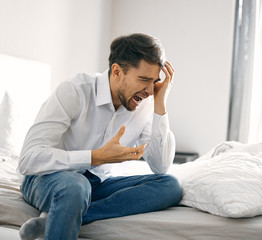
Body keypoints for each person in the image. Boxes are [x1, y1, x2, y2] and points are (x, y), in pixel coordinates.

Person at [17, 33, 182, 240]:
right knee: (77, 186)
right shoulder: (75, 91)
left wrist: (161, 103)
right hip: (48, 178)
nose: (150, 90)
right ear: (117, 71)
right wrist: (95, 156)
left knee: (170, 185)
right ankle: (68, 209)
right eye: (143, 80)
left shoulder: (146, 103)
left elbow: (160, 166)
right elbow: (28, 159)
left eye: (155, 81)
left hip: (96, 183)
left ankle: (60, 218)